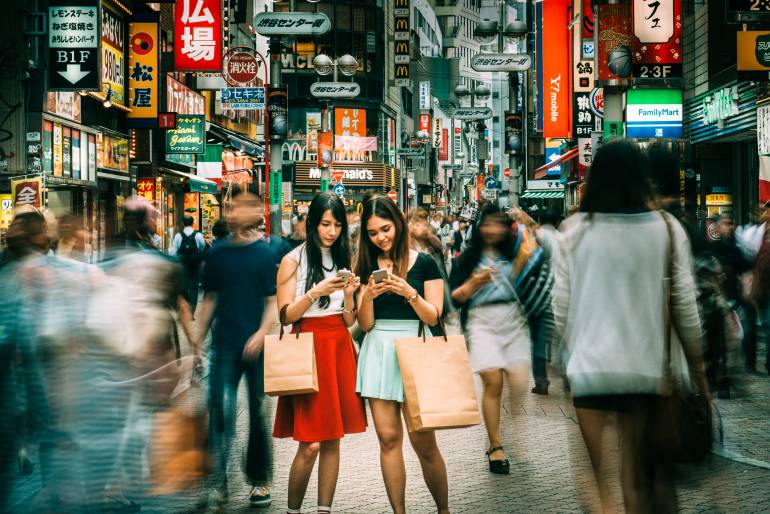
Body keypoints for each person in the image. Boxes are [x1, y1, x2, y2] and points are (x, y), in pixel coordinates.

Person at [553, 140, 707, 513]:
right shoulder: (666, 229)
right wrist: (698, 366)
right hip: (645, 370)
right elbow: (686, 304)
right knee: (637, 480)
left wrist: (577, 348)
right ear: (643, 177)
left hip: (590, 370)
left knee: (597, 481)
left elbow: (560, 308)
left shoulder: (573, 231)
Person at [273, 192, 367, 514]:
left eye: (338, 225)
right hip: (309, 348)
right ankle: (293, 510)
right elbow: (284, 316)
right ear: (311, 222)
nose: (331, 231)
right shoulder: (292, 260)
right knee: (310, 442)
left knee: (332, 438)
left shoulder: (343, 258)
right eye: (325, 224)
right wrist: (316, 292)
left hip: (338, 344)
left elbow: (349, 320)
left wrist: (351, 295)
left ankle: (324, 509)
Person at [355, 195, 449, 514]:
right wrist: (367, 295)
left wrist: (409, 292)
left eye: (386, 228)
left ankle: (444, 510)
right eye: (373, 233)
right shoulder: (365, 267)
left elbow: (434, 316)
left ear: (398, 224)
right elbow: (365, 324)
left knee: (424, 442)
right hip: (378, 349)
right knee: (388, 439)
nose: (381, 237)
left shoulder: (425, 263)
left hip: (416, 348)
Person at [196, 192, 278, 509]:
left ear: (258, 212)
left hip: (256, 349)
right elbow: (209, 301)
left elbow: (271, 302)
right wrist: (195, 344)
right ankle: (219, 482)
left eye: (247, 206)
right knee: (219, 413)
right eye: (234, 206)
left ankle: (259, 481)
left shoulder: (263, 254)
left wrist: (260, 333)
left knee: (258, 415)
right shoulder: (216, 254)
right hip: (224, 346)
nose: (238, 211)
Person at [449, 204, 532, 475]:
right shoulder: (468, 259)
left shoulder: (514, 253)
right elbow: (454, 298)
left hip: (512, 317)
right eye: (488, 223)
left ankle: (503, 430)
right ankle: (495, 445)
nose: (493, 229)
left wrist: (525, 222)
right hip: (482, 320)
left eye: (499, 224)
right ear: (480, 227)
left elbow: (534, 252)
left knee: (519, 381)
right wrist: (474, 282)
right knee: (493, 381)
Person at [169, 216, 206, 315]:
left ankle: (184, 311)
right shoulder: (198, 235)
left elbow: (172, 252)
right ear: (193, 223)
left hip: (183, 265)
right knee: (194, 288)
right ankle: (191, 313)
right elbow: (202, 248)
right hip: (195, 266)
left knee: (183, 287)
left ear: (182, 223)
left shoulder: (178, 236)